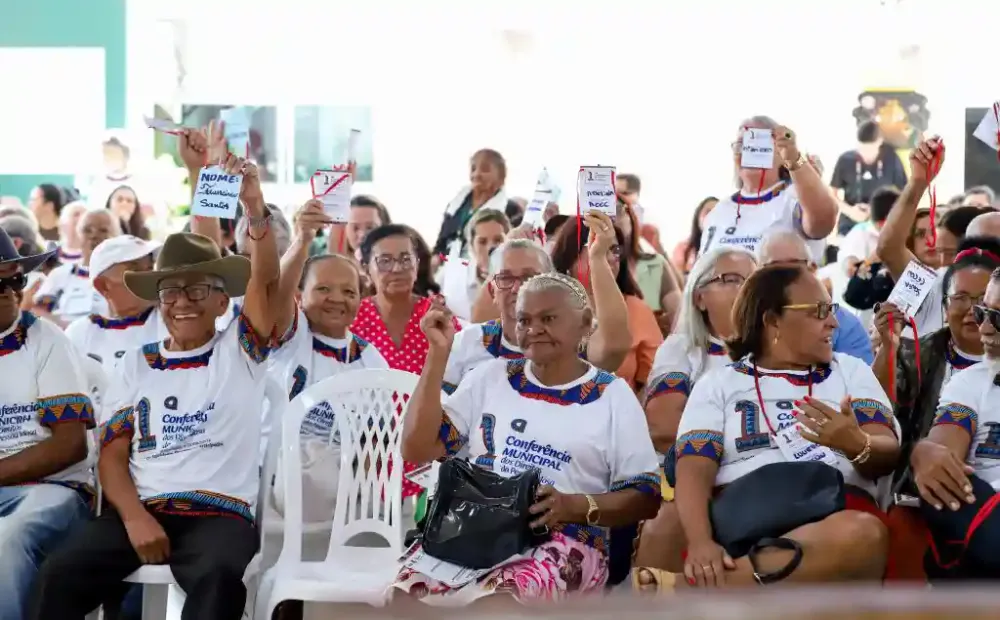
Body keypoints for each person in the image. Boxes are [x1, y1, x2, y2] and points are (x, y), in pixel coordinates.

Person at [31, 156, 278, 620]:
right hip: (144, 509)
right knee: (58, 574)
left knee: (220, 576)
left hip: (219, 516)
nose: (182, 302)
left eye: (197, 290)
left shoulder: (239, 350)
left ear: (222, 301)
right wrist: (135, 517)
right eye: (170, 293)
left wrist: (254, 206)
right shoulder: (135, 364)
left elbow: (265, 281)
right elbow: (111, 456)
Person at [397, 275, 661, 604]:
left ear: (584, 324)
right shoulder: (491, 376)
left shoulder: (612, 396)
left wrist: (572, 506)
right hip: (473, 529)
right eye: (524, 320)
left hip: (563, 541)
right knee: (402, 597)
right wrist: (437, 355)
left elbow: (646, 498)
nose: (534, 329)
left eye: (548, 318)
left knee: (497, 605)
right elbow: (416, 448)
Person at [673, 265, 898, 587]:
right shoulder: (718, 383)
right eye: (819, 311)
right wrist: (700, 542)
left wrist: (856, 443)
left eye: (831, 309)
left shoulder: (850, 371)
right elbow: (694, 468)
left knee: (863, 535)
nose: (833, 322)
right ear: (773, 320)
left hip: (835, 514)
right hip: (742, 520)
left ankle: (687, 589)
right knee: (666, 526)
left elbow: (887, 451)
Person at [0, 229, 94, 620]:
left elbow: (71, 445)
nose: (9, 292)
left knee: (7, 540)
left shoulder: (46, 339)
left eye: (15, 281)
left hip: (52, 489)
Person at [443, 223, 631, 393]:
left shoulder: (576, 337)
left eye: (529, 277)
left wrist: (597, 258)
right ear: (493, 291)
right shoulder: (467, 343)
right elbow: (440, 409)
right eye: (506, 278)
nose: (517, 288)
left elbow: (613, 349)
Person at [350, 223, 462, 500]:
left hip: (427, 447)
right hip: (364, 450)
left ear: (417, 264)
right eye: (385, 261)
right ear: (366, 267)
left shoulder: (437, 317)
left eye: (405, 259)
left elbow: (459, 384)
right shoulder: (353, 319)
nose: (397, 268)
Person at [873, 247, 998, 484]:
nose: (972, 309)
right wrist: (888, 347)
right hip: (917, 486)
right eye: (960, 298)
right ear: (945, 307)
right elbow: (875, 411)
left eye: (983, 300)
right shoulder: (915, 355)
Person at [908, 269, 1000, 578]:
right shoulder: (971, 382)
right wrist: (926, 453)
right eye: (983, 313)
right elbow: (944, 452)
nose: (983, 327)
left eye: (998, 318)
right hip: (984, 521)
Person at [700, 116, 838, 261]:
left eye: (758, 143)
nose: (749, 152)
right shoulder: (719, 212)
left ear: (780, 153)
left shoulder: (795, 198)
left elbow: (823, 220)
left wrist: (795, 158)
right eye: (741, 145)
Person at [550, 215, 662, 392]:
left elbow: (656, 381)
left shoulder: (638, 310)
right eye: (597, 246)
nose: (609, 257)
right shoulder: (546, 308)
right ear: (569, 259)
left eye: (615, 250)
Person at [758, 230, 874, 364]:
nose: (783, 279)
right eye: (773, 269)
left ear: (812, 269)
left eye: (792, 268)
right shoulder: (746, 320)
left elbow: (860, 375)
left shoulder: (845, 327)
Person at [64, 235, 162, 375]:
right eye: (135, 271)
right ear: (103, 286)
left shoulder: (172, 323)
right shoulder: (79, 334)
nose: (149, 277)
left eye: (150, 268)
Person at [33, 209, 119, 326]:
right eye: (87, 230)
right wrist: (65, 328)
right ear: (79, 235)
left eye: (103, 230)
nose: (94, 236)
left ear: (116, 237)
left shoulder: (124, 278)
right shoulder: (60, 275)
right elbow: (38, 311)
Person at [432, 149, 515, 259]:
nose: (477, 174)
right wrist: (437, 257)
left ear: (501, 177)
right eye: (473, 169)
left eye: (485, 170)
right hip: (448, 262)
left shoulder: (510, 210)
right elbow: (441, 243)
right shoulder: (456, 205)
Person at [830, 121, 908, 237]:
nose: (865, 154)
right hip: (849, 225)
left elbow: (905, 194)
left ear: (880, 142)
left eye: (870, 149)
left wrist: (875, 211)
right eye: (861, 149)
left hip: (881, 225)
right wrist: (850, 211)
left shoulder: (892, 159)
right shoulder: (845, 160)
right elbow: (831, 195)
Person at [616, 200, 682, 334]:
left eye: (619, 210)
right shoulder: (585, 268)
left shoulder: (655, 264)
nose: (613, 217)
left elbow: (679, 318)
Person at [438, 208, 510, 323]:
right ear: (471, 246)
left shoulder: (522, 281)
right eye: (482, 242)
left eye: (498, 240)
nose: (490, 248)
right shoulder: (450, 278)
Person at [672, 197, 718, 276]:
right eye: (708, 212)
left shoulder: (730, 250)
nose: (712, 217)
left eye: (717, 213)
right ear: (698, 217)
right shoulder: (683, 249)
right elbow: (675, 280)